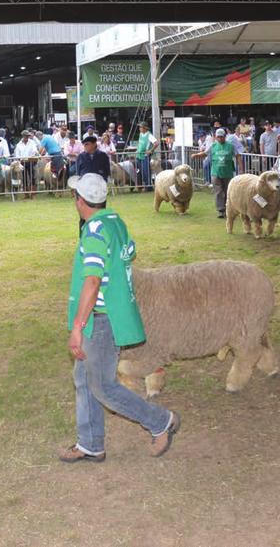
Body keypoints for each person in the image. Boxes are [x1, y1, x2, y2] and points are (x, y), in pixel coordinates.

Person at [59, 172, 179, 463]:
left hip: (99, 319)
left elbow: (92, 281)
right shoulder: (115, 222)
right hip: (111, 314)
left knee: (103, 386)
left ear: (79, 201)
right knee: (84, 379)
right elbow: (131, 251)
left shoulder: (95, 231)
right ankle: (90, 444)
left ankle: (161, 421)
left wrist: (78, 327)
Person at [191, 128, 235, 218]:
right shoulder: (213, 146)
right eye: (218, 137)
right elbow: (205, 153)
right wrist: (196, 155)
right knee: (218, 191)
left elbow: (238, 156)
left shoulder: (230, 146)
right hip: (215, 172)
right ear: (215, 137)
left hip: (228, 173)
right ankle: (221, 210)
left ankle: (228, 208)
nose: (220, 139)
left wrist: (241, 169)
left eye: (221, 137)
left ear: (225, 137)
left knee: (227, 191)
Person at [14, 131, 39, 199]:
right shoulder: (19, 144)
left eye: (27, 136)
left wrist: (31, 156)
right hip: (23, 162)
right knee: (24, 178)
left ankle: (33, 194)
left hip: (31, 161)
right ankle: (26, 194)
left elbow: (34, 151)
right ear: (23, 136)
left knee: (32, 177)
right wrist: (20, 160)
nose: (27, 138)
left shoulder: (32, 142)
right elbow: (17, 155)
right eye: (25, 136)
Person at [135, 122, 158, 191]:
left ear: (145, 128)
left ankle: (149, 186)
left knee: (146, 171)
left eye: (141, 127)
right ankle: (142, 186)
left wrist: (150, 150)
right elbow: (140, 143)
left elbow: (156, 143)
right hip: (139, 155)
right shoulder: (141, 134)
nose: (139, 129)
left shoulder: (149, 135)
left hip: (145, 156)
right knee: (139, 171)